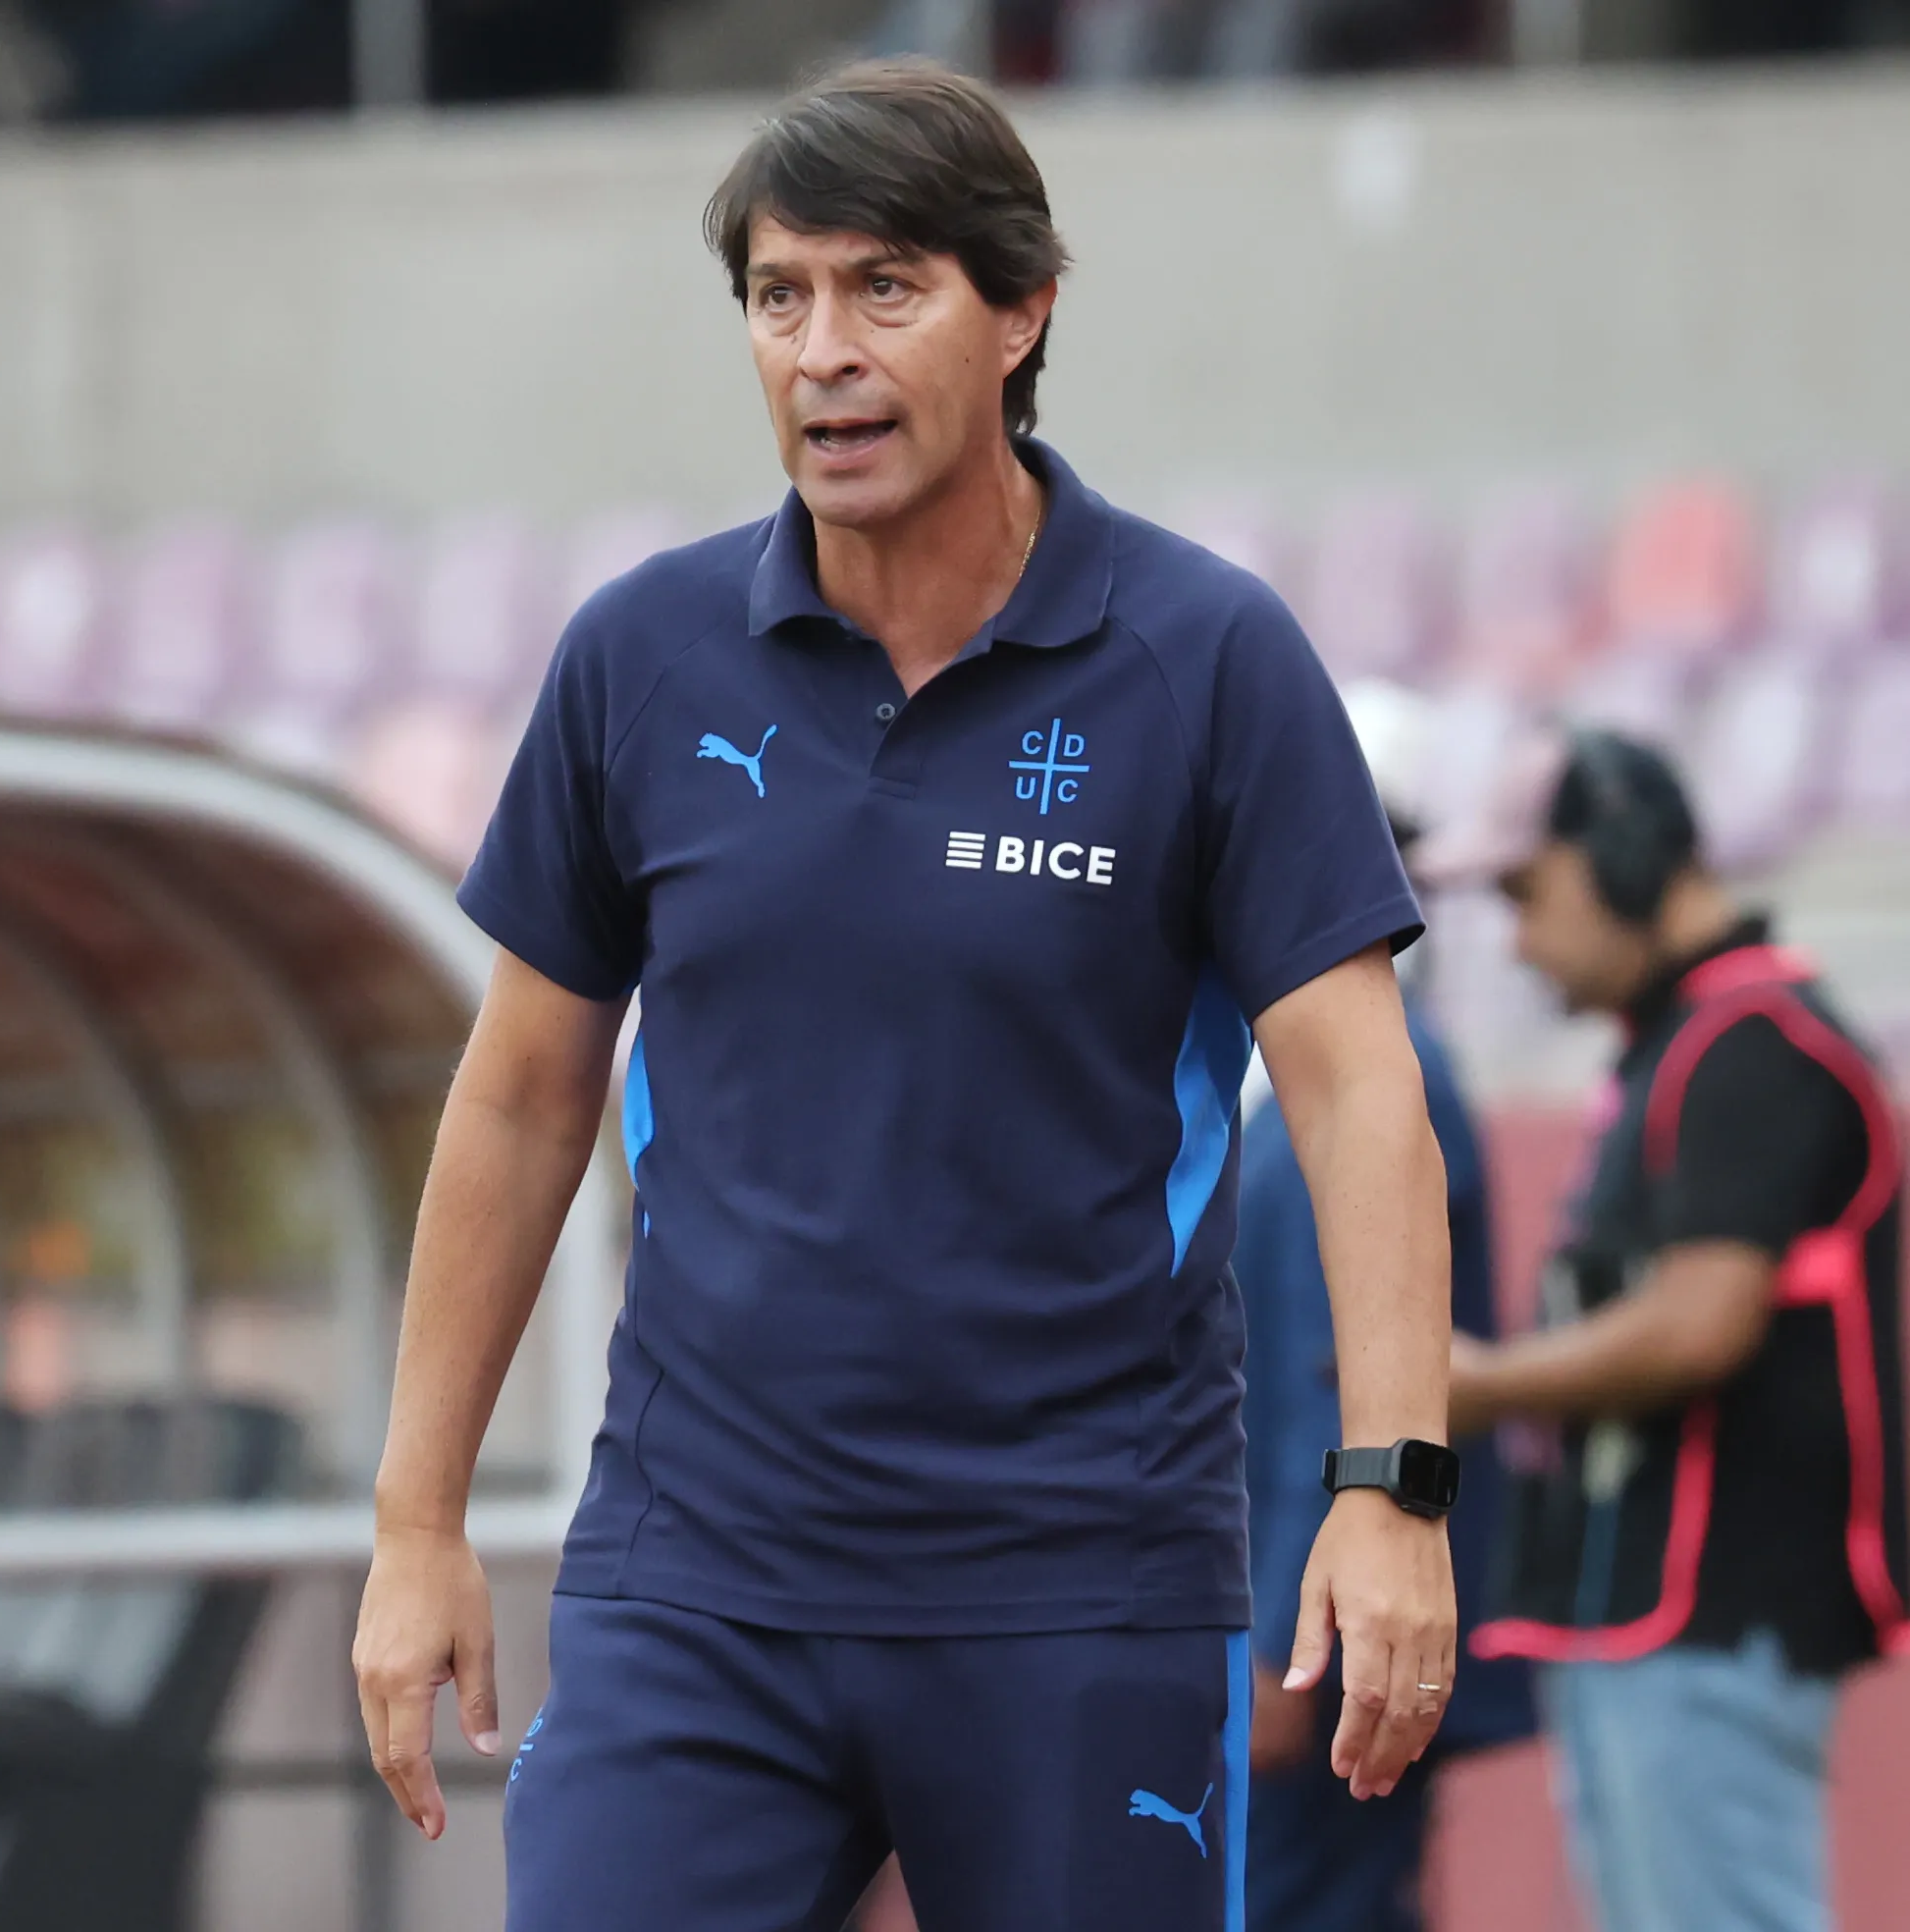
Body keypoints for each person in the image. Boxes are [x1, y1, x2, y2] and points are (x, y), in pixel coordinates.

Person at [351, 58, 1460, 1932]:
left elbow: (1357, 1095)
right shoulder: (640, 654)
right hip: (694, 1582)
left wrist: (1390, 1490)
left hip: (1075, 1586)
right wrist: (412, 1521)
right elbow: (523, 1093)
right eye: (778, 297)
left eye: (886, 288)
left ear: (1021, 311)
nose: (822, 351)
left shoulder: (1206, 661)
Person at [1441, 732, 1904, 1932]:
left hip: (1711, 1612)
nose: (1518, 938)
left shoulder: (1754, 1041)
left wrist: (1480, 1386)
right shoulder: (1687, 1043)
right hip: (1645, 1612)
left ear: (1629, 859)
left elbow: (1701, 1325)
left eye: (1526, 893)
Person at [1240, 682, 1534, 1932]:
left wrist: (1278, 1649)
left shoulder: (1377, 1094)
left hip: (1316, 1636)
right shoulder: (1351, 1080)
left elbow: (1334, 1376)